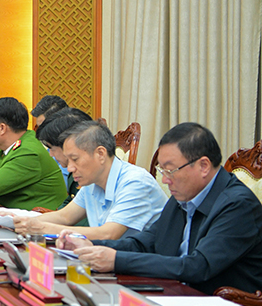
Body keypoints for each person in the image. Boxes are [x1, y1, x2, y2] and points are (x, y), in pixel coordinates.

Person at [63, 123, 262, 295]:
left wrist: (116, 260)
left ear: (203, 166)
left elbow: (197, 266)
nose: (165, 180)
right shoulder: (184, 195)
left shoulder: (238, 205)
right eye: (162, 170)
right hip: (176, 294)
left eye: (170, 170)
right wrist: (90, 246)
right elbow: (144, 243)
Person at [14, 121, 167, 240]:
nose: (70, 168)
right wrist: (22, 222)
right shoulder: (92, 181)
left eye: (75, 159)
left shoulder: (135, 182)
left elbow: (108, 234)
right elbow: (64, 216)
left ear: (100, 154)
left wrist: (42, 228)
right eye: (68, 160)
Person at [35, 108, 95, 204]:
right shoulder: (74, 170)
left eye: (52, 148)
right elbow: (70, 205)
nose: (50, 154)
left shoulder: (95, 174)